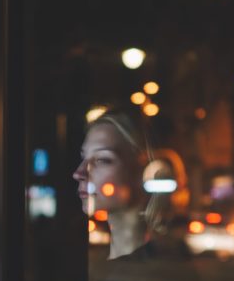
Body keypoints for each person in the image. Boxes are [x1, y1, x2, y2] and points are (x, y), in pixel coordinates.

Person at [72, 109, 169, 261]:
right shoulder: (101, 267)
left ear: (142, 171)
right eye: (84, 157)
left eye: (103, 160)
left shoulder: (156, 271)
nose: (79, 173)